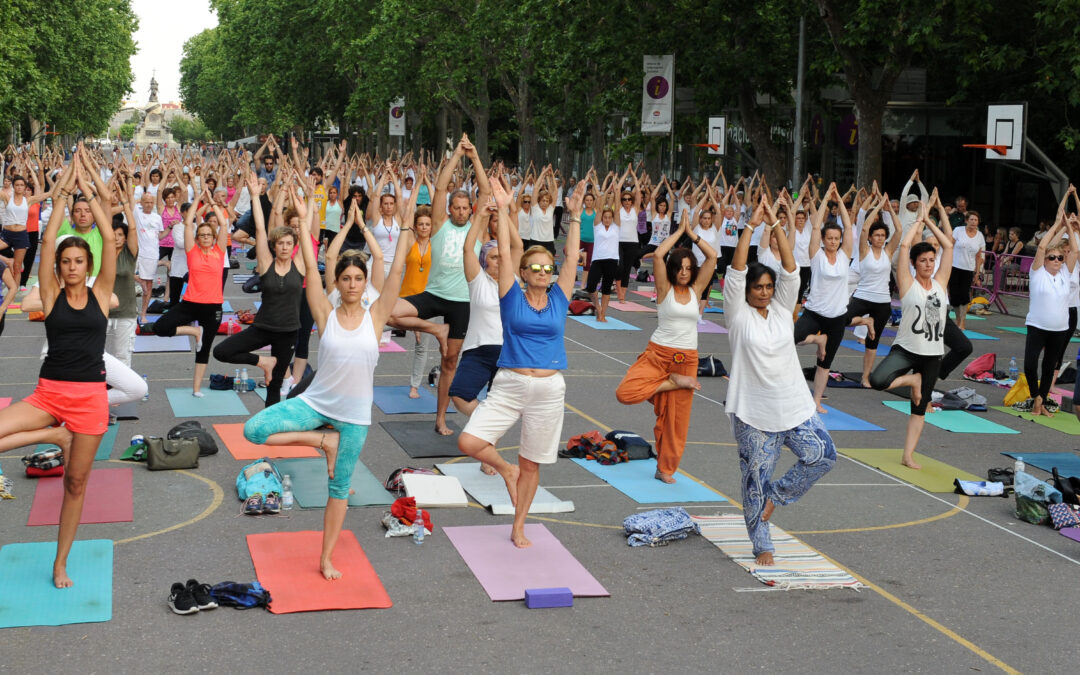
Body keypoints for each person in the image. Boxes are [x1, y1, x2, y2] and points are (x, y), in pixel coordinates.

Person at [243, 186, 412, 580]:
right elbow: (309, 260)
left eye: (359, 278)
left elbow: (397, 272)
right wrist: (304, 222)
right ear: (337, 281)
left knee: (339, 489)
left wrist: (404, 228)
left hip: (354, 416)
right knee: (255, 429)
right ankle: (323, 441)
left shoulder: (376, 316)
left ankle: (326, 558)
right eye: (346, 278)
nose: (353, 284)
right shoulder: (325, 312)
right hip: (317, 403)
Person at [0, 150, 117, 588]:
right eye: (66, 262)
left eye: (78, 262)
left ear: (89, 265)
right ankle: (53, 434)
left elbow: (106, 231)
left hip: (89, 399)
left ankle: (60, 562)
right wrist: (63, 195)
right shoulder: (49, 293)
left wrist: (90, 191)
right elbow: (48, 242)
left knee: (75, 483)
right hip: (48, 393)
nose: (71, 267)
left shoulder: (101, 292)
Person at [457, 179, 585, 548]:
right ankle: (503, 468)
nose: (544, 273)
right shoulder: (510, 295)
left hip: (548, 389)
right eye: (536, 268)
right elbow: (509, 254)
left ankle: (519, 526)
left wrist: (574, 216)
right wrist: (502, 208)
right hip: (510, 383)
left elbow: (573, 258)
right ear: (524, 273)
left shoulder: (560, 297)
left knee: (533, 464)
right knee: (469, 440)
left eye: (548, 269)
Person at [724, 196, 836, 566]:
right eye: (758, 287)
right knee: (754, 479)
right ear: (747, 291)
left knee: (822, 455)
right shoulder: (737, 314)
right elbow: (738, 269)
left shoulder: (782, 310)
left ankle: (779, 496)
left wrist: (777, 226)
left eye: (769, 287)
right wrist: (751, 227)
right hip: (753, 412)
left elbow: (791, 269)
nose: (765, 292)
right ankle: (762, 543)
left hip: (793, 405)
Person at [389, 135, 489, 435]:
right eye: (455, 207)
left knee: (449, 361)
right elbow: (442, 187)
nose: (459, 211)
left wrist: (474, 157)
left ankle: (441, 419)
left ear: (470, 209)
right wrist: (456, 154)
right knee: (389, 313)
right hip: (433, 294)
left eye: (463, 208)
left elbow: (485, 190)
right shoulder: (440, 223)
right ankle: (436, 330)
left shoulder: (476, 227)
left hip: (461, 301)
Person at [615, 217, 717, 483]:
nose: (684, 271)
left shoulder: (696, 290)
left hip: (686, 360)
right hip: (658, 354)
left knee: (674, 423)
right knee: (625, 392)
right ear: (673, 270)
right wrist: (678, 232)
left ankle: (665, 469)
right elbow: (659, 254)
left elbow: (713, 256)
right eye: (680, 267)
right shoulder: (664, 290)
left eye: (688, 267)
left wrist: (692, 235)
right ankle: (670, 384)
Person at [869, 196, 954, 469]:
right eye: (924, 261)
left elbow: (948, 246)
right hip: (906, 349)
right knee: (877, 379)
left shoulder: (941, 283)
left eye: (932, 260)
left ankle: (908, 455)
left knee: (919, 409)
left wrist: (930, 220)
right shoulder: (907, 284)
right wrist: (918, 221)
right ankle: (913, 381)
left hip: (932, 354)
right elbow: (905, 245)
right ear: (915, 264)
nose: (929, 264)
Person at [213, 172, 305, 407]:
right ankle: (264, 362)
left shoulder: (300, 264)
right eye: (280, 243)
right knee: (222, 352)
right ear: (274, 246)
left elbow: (307, 230)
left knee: (275, 385)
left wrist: (305, 208)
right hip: (263, 328)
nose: (284, 247)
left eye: (288, 243)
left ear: (294, 246)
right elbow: (262, 231)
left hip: (288, 331)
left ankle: (268, 426)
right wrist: (255, 196)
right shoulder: (266, 263)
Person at [793, 184, 871, 413]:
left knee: (825, 364)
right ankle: (819, 340)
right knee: (792, 339)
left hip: (837, 317)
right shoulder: (816, 256)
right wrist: (828, 197)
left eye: (836, 238)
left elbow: (849, 226)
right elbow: (816, 225)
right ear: (824, 240)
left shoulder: (845, 256)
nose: (834, 241)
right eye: (830, 238)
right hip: (815, 312)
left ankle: (816, 400)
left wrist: (841, 203)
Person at [145, 187, 228, 396]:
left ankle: (197, 388)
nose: (207, 237)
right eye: (203, 235)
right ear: (198, 238)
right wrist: (198, 200)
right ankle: (193, 331)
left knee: (204, 348)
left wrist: (215, 205)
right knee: (160, 327)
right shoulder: (193, 252)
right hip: (191, 303)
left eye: (210, 234)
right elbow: (189, 224)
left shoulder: (219, 251)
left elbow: (224, 224)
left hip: (213, 306)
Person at [1021, 195, 1077, 417]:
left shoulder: (1065, 272)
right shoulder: (1037, 273)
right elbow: (1043, 246)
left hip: (1059, 328)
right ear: (1045, 260)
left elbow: (1075, 250)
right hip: (1037, 325)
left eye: (1059, 258)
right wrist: (1058, 225)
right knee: (1029, 364)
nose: (1056, 260)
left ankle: (1040, 402)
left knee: (1049, 367)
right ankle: (1036, 395)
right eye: (1052, 257)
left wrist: (1070, 229)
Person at [844, 198, 898, 387]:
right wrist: (876, 208)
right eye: (877, 235)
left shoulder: (888, 252)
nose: (880, 238)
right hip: (863, 296)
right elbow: (864, 228)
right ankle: (866, 321)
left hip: (882, 301)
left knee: (873, 342)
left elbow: (899, 231)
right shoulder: (864, 250)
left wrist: (890, 209)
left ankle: (865, 377)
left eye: (883, 235)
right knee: (842, 320)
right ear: (870, 238)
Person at [948, 209, 985, 331]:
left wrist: (977, 273)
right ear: (966, 221)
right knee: (954, 295)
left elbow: (979, 256)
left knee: (964, 296)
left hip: (968, 269)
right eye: (971, 219)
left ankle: (962, 322)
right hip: (954, 266)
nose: (974, 222)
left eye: (976, 220)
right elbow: (949, 246)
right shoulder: (958, 231)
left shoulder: (980, 236)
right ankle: (957, 319)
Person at [133, 190, 165, 323]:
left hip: (152, 254)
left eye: (151, 202)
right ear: (141, 202)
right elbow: (129, 198)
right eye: (146, 202)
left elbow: (160, 236)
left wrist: (169, 229)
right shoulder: (137, 213)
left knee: (149, 287)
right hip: (138, 253)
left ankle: (144, 314)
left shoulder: (157, 217)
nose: (149, 205)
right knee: (129, 279)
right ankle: (132, 311)